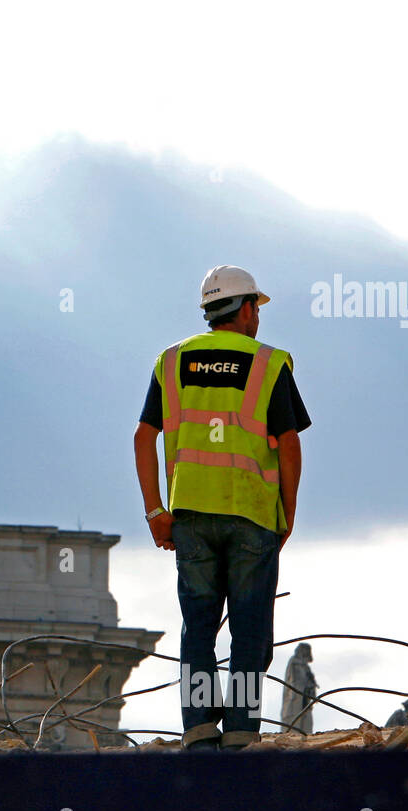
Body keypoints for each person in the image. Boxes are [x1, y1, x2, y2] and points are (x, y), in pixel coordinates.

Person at [133, 265, 311, 752]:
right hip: (252, 514)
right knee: (250, 632)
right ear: (247, 308)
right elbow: (289, 446)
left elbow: (143, 437)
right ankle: (239, 732)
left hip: (189, 516)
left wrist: (154, 512)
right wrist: (286, 512)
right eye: (258, 307)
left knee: (198, 628)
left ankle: (198, 727)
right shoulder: (269, 363)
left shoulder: (171, 362)